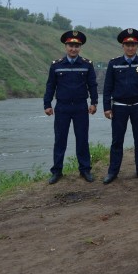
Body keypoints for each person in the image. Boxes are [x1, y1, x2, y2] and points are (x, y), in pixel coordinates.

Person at [43, 30, 98, 184]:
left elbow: (92, 85)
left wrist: (94, 103)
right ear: (65, 46)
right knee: (60, 140)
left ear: (80, 47)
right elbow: (50, 86)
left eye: (76, 46)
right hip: (62, 108)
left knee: (82, 139)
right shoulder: (57, 65)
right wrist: (47, 104)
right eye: (70, 45)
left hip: (81, 107)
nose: (73, 49)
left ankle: (85, 170)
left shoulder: (87, 65)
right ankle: (57, 171)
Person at [102, 28, 138, 184]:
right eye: (127, 44)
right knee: (117, 141)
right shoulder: (114, 63)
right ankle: (113, 172)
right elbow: (107, 88)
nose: (130, 47)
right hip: (119, 107)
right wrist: (107, 107)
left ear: (137, 46)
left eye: (133, 45)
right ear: (122, 46)